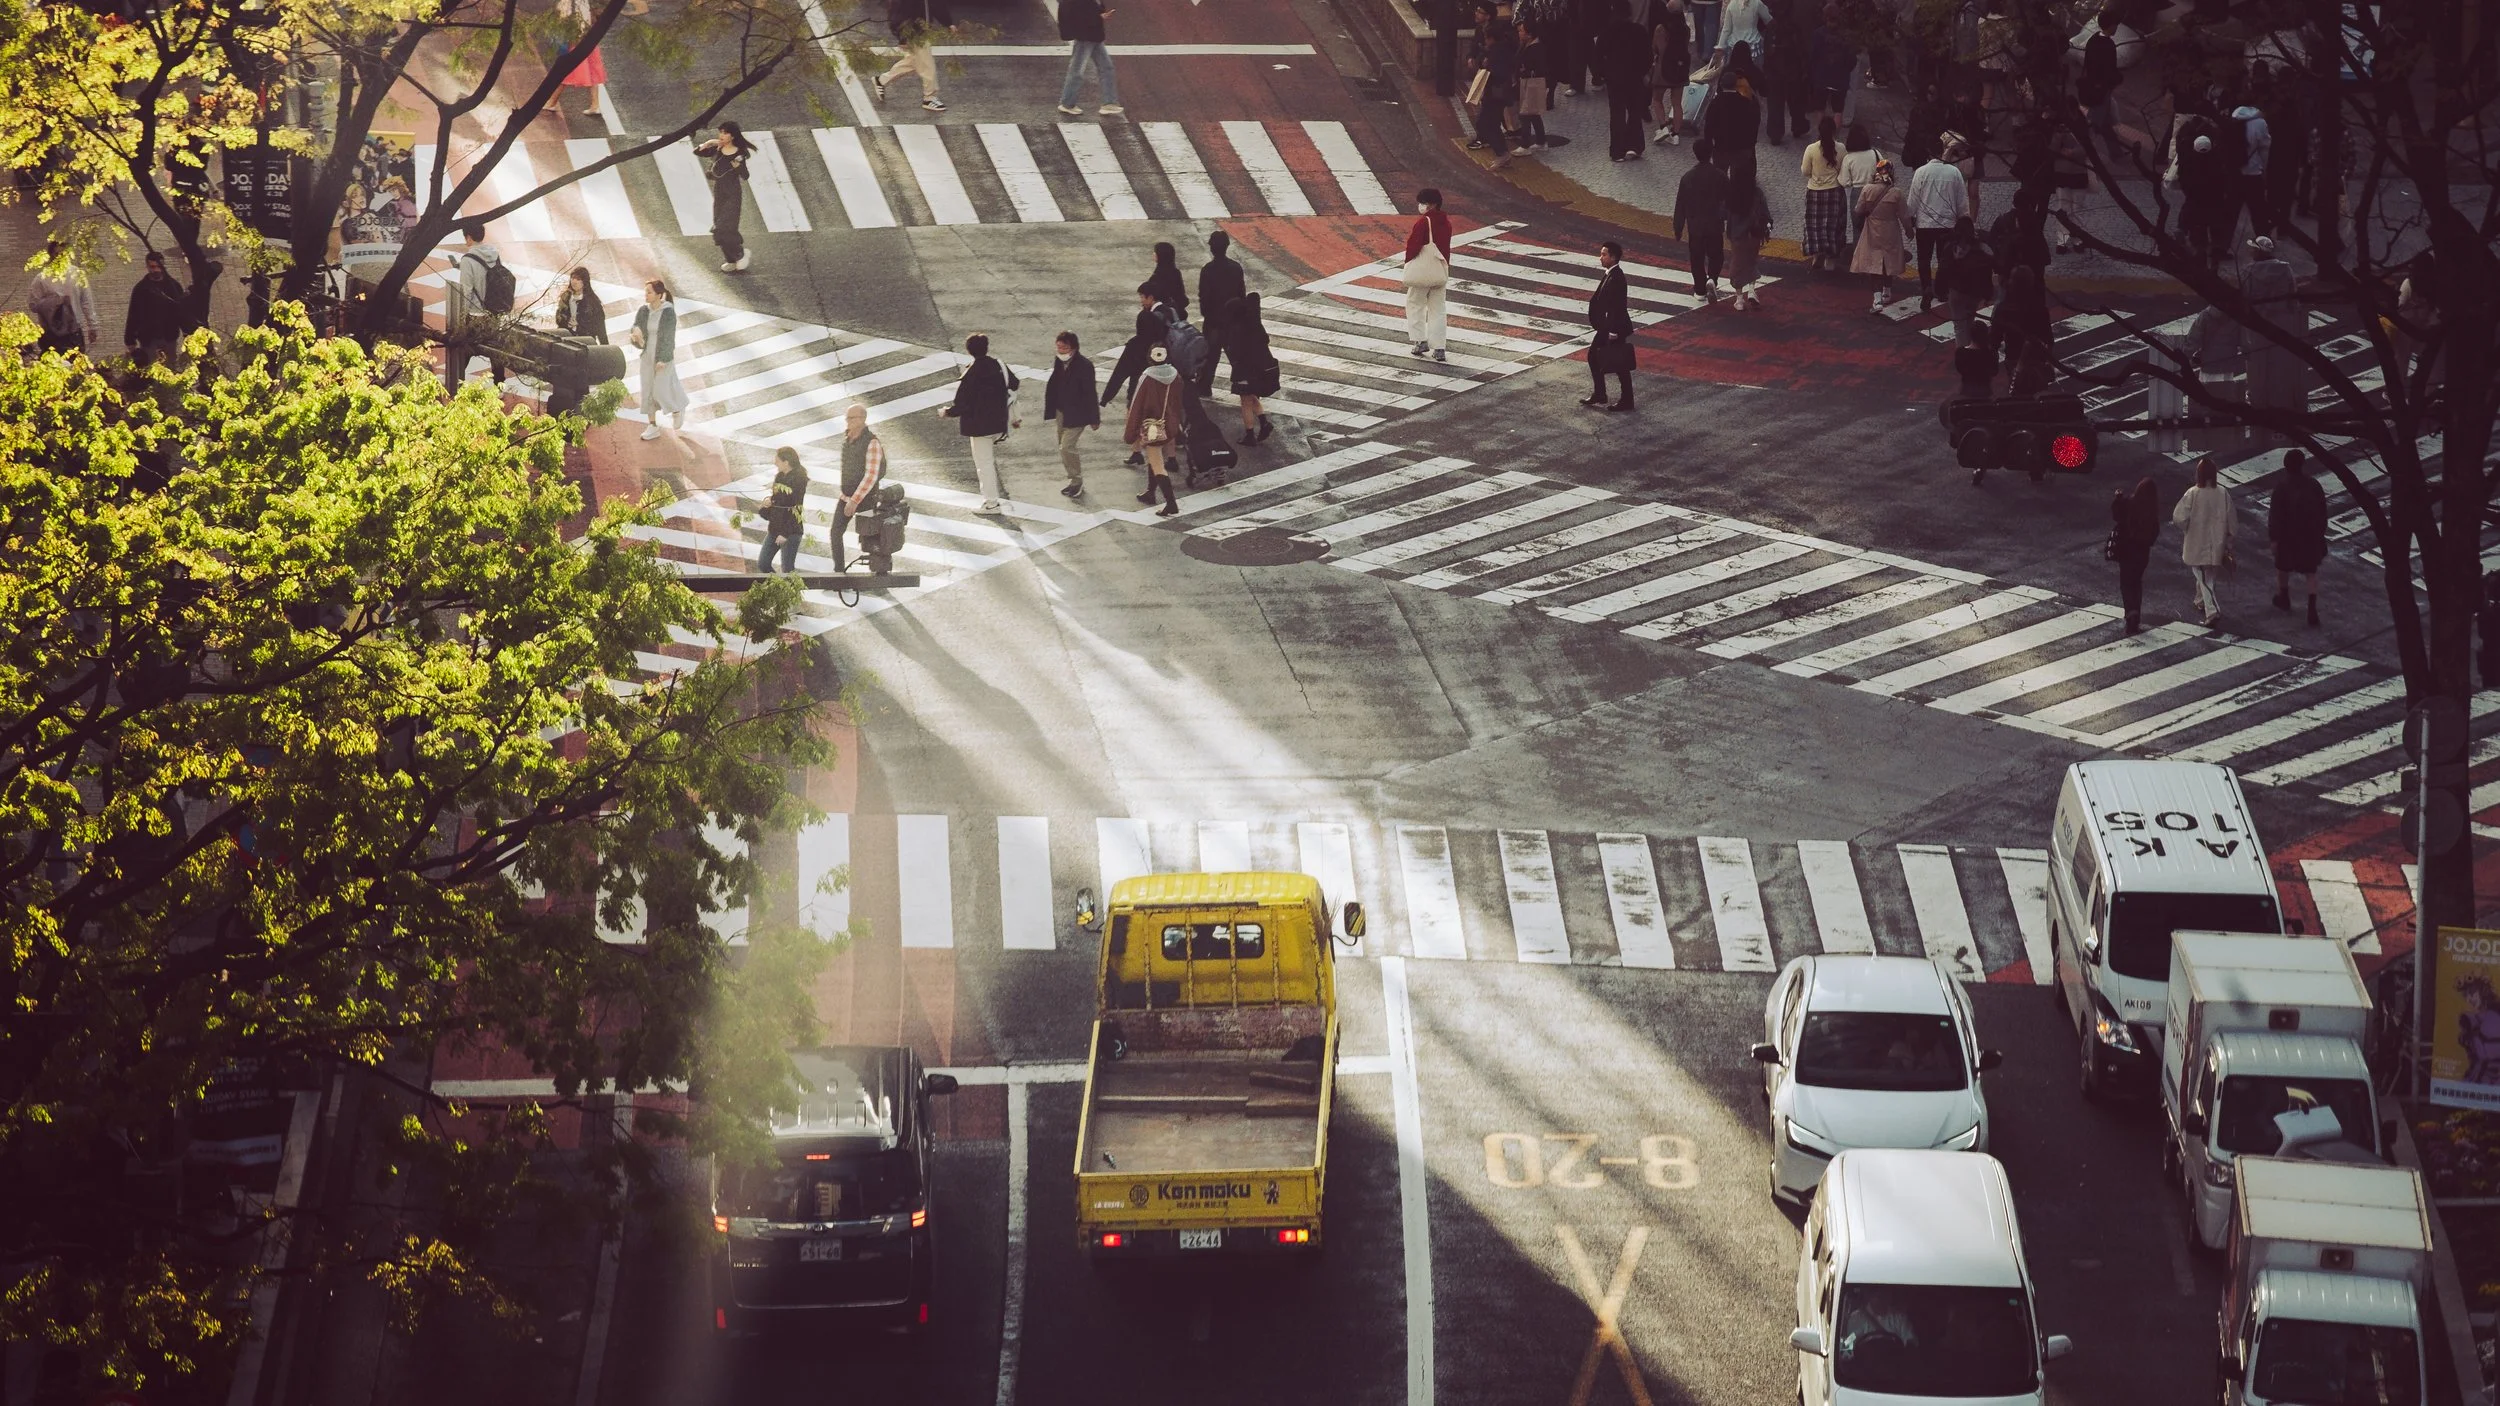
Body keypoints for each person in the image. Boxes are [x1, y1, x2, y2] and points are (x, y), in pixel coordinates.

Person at [938, 333, 1018, 513]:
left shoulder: (972, 373)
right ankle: (991, 501)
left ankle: (991, 503)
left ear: (969, 350)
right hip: (999, 421)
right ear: (987, 347)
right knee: (987, 463)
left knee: (985, 465)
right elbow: (1014, 383)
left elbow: (962, 404)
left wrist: (946, 412)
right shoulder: (998, 365)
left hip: (979, 426)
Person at [1905, 140, 1968, 312]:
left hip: (1925, 224)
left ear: (1928, 153)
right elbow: (1962, 201)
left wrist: (1910, 219)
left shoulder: (1921, 172)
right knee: (1944, 259)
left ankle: (1926, 287)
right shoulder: (1954, 172)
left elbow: (1913, 200)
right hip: (1947, 224)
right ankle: (1942, 290)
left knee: (1924, 259)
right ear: (1942, 152)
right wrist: (1964, 219)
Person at [2173, 455, 2235, 626]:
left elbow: (2179, 517)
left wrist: (2187, 527)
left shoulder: (2193, 493)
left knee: (2201, 575)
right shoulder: (2223, 493)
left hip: (2197, 542)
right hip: (2217, 544)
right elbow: (2232, 521)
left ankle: (2212, 610)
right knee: (2209, 576)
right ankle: (2200, 600)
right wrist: (2229, 539)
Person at [2267, 449, 2328, 625]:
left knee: (2282, 568)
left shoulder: (2281, 488)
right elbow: (2322, 512)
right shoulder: (2314, 485)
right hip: (2309, 536)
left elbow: (2276, 516)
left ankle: (2284, 596)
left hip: (2288, 536)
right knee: (2311, 572)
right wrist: (2319, 533)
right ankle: (2312, 608)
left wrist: (2274, 538)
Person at [1124, 344, 1183, 517]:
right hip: (1169, 423)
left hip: (1152, 426)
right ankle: (1150, 492)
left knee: (1157, 462)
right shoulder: (1176, 376)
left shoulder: (1147, 378)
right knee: (1154, 456)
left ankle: (1171, 503)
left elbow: (1136, 405)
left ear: (1150, 358)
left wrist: (1130, 432)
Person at [628, 279, 688, 441]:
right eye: (645, 292)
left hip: (663, 356)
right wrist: (635, 333)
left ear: (659, 295)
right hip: (647, 355)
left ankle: (677, 409)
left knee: (661, 389)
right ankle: (652, 425)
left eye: (649, 292)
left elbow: (669, 337)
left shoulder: (668, 312)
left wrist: (663, 358)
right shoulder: (643, 310)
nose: (646, 295)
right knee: (647, 390)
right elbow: (635, 326)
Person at [829, 405, 885, 571]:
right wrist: (848, 498)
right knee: (835, 532)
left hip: (866, 501)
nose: (848, 422)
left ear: (862, 419)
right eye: (847, 418)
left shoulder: (872, 442)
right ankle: (838, 571)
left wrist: (854, 501)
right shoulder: (847, 440)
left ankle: (878, 571)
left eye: (851, 418)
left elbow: (871, 476)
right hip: (845, 497)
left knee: (870, 537)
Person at [1581, 240, 1636, 411]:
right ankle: (1606, 395)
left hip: (1614, 328)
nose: (1600, 257)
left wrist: (1613, 331)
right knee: (1618, 363)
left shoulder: (1616, 277)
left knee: (1616, 362)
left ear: (1613, 257)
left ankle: (1615, 397)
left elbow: (1617, 307)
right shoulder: (1611, 274)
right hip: (1610, 327)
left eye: (1604, 254)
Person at [1045, 331, 1099, 498]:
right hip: (1062, 411)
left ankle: (1076, 481)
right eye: (1059, 347)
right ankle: (1073, 480)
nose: (1060, 350)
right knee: (1063, 447)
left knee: (1066, 447)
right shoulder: (1059, 362)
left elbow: (1091, 393)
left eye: (1064, 347)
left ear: (1073, 347)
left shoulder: (1084, 366)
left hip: (1077, 413)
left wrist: (1094, 418)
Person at [1674, 139, 1730, 300]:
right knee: (1716, 254)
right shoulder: (1720, 176)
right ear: (1711, 153)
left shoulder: (1687, 177)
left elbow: (1680, 204)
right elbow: (1729, 200)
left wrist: (1678, 228)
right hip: (1714, 223)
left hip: (1695, 225)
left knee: (1696, 257)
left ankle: (1699, 289)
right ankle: (1712, 277)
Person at [695, 123, 754, 273]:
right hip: (720, 192)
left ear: (732, 136)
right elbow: (698, 152)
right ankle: (731, 260)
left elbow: (745, 176)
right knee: (718, 230)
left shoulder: (739, 153)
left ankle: (740, 254)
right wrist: (710, 143)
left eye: (725, 133)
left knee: (724, 227)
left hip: (733, 194)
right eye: (720, 132)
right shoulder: (718, 149)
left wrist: (738, 167)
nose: (722, 135)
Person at [454, 224, 509, 384]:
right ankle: (499, 385)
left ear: (468, 237)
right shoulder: (494, 254)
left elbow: (466, 290)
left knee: (465, 349)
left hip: (475, 312)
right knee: (494, 350)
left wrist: (461, 316)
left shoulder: (468, 259)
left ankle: (455, 382)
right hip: (493, 311)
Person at [1849, 156, 1906, 311]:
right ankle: (1887, 292)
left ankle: (1877, 300)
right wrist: (1909, 231)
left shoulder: (1867, 189)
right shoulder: (1896, 193)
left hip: (1872, 230)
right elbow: (1904, 215)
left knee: (1875, 264)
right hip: (1891, 230)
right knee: (1888, 261)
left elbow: (1858, 210)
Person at [1223, 294, 1279, 443]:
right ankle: (1264, 423)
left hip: (1244, 372)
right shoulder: (1254, 325)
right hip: (1259, 371)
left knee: (1245, 402)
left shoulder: (1236, 330)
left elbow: (1235, 353)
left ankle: (1249, 435)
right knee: (1253, 396)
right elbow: (1254, 298)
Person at [878, 0, 953, 112]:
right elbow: (897, 14)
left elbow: (937, 4)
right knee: (927, 64)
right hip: (913, 33)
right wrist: (902, 37)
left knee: (914, 62)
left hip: (923, 30)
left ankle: (882, 80)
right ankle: (929, 97)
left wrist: (948, 23)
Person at [1404, 188, 1452, 363]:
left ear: (1432, 204)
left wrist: (1409, 263)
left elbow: (1413, 246)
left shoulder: (1424, 222)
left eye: (1423, 203)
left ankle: (1420, 341)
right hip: (1440, 270)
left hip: (1423, 272)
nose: (1421, 206)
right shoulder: (1446, 222)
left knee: (1415, 304)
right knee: (1438, 309)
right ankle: (1439, 348)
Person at [28, 241, 100, 356]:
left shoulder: (77, 274)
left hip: (74, 330)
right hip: (50, 332)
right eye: (56, 254)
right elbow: (33, 305)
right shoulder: (41, 278)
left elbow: (86, 302)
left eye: (63, 254)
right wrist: (54, 302)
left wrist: (93, 326)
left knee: (77, 368)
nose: (60, 257)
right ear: (51, 255)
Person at [1196, 231, 1246, 393]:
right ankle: (1246, 384)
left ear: (1211, 247)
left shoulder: (1208, 270)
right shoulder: (1236, 268)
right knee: (1236, 357)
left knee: (1210, 357)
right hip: (1232, 321)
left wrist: (1208, 315)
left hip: (1213, 322)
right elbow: (1241, 294)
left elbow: (1204, 297)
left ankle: (1204, 386)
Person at [2111, 477, 2161, 635]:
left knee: (2126, 583)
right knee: (2137, 583)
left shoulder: (2129, 503)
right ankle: (2136, 614)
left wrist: (2118, 498)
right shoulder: (2152, 512)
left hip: (2126, 551)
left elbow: (2116, 515)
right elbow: (2154, 533)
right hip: (2142, 554)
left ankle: (2130, 613)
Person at [1055, 0, 1122, 116]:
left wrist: (1100, 15)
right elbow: (1078, 13)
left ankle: (1109, 103)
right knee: (1077, 70)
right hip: (1085, 36)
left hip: (1094, 35)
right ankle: (1067, 103)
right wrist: (1098, 17)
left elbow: (1092, 8)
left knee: (1106, 68)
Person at [1995, 264, 2052, 394]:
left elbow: (1994, 338)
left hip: (2013, 357)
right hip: (2036, 360)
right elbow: (2049, 339)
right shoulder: (2040, 309)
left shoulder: (2003, 309)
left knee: (2016, 394)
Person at [1799, 115, 1847, 270]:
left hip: (1815, 192)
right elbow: (1844, 170)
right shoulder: (1841, 148)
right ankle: (1830, 259)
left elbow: (1805, 171)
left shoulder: (1811, 149)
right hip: (1834, 192)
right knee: (1833, 225)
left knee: (1815, 225)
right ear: (1834, 131)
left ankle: (1816, 254)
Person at [1701, 62, 1761, 184]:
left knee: (1719, 178)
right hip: (1741, 148)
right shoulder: (1746, 103)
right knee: (1738, 181)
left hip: (1721, 147)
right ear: (1735, 85)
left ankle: (1721, 199)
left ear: (1721, 85)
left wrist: (1709, 143)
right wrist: (1751, 143)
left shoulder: (1715, 104)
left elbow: (1709, 126)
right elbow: (1754, 123)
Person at [1937, 215, 1993, 344]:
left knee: (1959, 326)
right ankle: (1969, 347)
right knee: (1969, 320)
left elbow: (1943, 271)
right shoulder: (1980, 249)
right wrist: (1988, 294)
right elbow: (1987, 273)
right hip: (1975, 292)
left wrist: (1940, 290)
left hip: (1957, 292)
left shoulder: (1951, 247)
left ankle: (1963, 352)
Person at [1723, 164, 1772, 310]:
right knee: (1751, 261)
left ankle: (1739, 299)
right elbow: (1765, 211)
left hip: (1738, 234)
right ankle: (1752, 290)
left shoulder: (1732, 194)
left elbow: (1725, 212)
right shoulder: (1757, 192)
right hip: (1755, 233)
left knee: (1737, 264)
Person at [1604, 9, 1650, 161]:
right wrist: (1642, 72)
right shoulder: (1639, 31)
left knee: (1617, 114)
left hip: (1614, 80)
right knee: (1634, 112)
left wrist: (1606, 75)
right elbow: (1648, 56)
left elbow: (1598, 55)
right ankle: (1634, 146)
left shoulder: (1608, 31)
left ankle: (1617, 151)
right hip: (1634, 79)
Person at [757, 446, 808, 574]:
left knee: (788, 570)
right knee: (763, 563)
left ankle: (789, 593)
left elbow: (795, 508)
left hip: (791, 531)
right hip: (775, 528)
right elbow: (777, 502)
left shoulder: (798, 481)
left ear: (786, 462)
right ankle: (779, 589)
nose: (775, 462)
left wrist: (785, 533)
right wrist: (766, 505)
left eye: (777, 460)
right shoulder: (780, 477)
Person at [2079, 10, 2122, 159]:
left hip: (2094, 87)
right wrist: (2116, 80)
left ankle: (2116, 152)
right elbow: (2110, 69)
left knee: (2103, 122)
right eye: (2115, 24)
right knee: (2096, 122)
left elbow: (2088, 64)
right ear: (2110, 25)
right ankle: (2083, 149)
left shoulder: (2094, 39)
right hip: (2102, 89)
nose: (2117, 27)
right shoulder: (2108, 45)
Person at [556, 0, 609, 118]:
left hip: (576, 40)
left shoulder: (572, 3)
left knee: (564, 71)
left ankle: (551, 102)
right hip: (589, 38)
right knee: (592, 71)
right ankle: (595, 105)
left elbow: (567, 21)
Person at [1648, 0, 1689, 144]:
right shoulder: (1686, 29)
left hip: (1663, 70)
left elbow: (1655, 48)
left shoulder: (1661, 29)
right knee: (1677, 103)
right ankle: (1676, 135)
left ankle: (1663, 127)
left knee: (1657, 99)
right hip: (1680, 69)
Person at [2231, 99, 2273, 240]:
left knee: (2231, 211)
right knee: (2258, 211)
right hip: (2253, 172)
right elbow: (2265, 149)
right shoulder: (2260, 123)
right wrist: (2265, 170)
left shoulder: (2233, 119)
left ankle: (2221, 246)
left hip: (2234, 172)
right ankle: (2263, 242)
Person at [1838, 122, 1882, 244]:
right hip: (1876, 193)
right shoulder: (1876, 153)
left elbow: (1844, 182)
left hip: (1857, 195)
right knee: (1875, 228)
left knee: (1858, 230)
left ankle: (1859, 258)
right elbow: (1885, 171)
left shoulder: (1849, 158)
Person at [1514, 19, 1553, 148]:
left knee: (1525, 114)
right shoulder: (1525, 45)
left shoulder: (1535, 48)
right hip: (1528, 82)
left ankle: (1525, 145)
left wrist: (1523, 69)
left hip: (1532, 83)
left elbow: (1529, 65)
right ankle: (1541, 141)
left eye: (1521, 31)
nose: (1519, 33)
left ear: (1529, 34)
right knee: (1533, 113)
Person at [554, 266, 606, 344]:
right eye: (572, 278)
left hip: (586, 341)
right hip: (567, 340)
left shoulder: (592, 301)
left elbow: (599, 328)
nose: (574, 281)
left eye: (578, 279)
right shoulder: (566, 297)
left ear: (584, 282)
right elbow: (559, 317)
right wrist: (566, 321)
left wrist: (579, 325)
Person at [1145, 240, 1188, 322]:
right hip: (1178, 314)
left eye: (1155, 252)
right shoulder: (1175, 272)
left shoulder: (1157, 277)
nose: (1153, 254)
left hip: (1163, 317)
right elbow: (1181, 296)